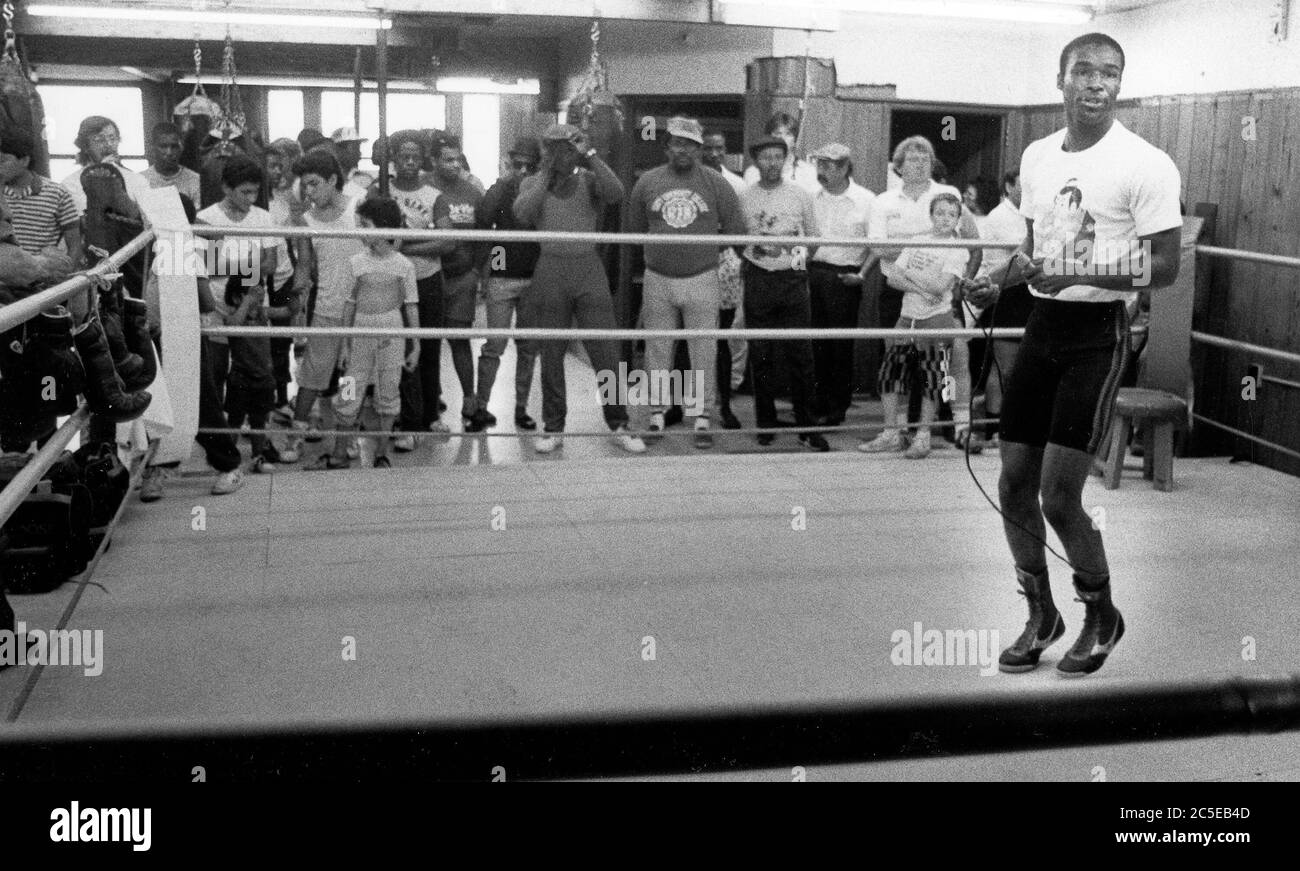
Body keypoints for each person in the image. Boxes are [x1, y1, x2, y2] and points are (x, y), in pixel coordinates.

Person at [966, 33, 1182, 676]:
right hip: (1043, 326)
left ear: (1120, 84)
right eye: (1083, 71)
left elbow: (1165, 266)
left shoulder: (1146, 163)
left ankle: (1101, 614)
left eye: (1109, 73)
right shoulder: (1036, 155)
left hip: (1097, 334)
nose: (1095, 83)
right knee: (1012, 484)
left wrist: (1080, 277)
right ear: (1060, 79)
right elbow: (1035, 252)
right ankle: (1041, 613)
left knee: (1061, 496)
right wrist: (999, 280)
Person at [512, 123, 646, 455]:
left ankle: (619, 422)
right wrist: (545, 172)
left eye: (568, 148)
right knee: (552, 354)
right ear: (546, 151)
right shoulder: (533, 182)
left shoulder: (589, 180)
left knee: (606, 351)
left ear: (576, 150)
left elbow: (616, 193)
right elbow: (523, 215)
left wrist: (590, 154)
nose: (562, 154)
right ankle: (553, 426)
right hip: (551, 269)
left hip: (588, 268)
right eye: (554, 148)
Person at [626, 116, 747, 449]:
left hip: (703, 276)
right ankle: (656, 414)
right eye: (677, 143)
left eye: (691, 144)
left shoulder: (716, 183)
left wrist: (705, 249)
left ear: (700, 149)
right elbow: (634, 229)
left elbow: (736, 229)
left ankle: (702, 417)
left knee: (703, 351)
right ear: (667, 147)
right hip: (658, 277)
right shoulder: (647, 182)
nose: (684, 150)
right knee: (657, 350)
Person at [867, 135, 982, 448]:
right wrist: (921, 244)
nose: (918, 164)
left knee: (949, 362)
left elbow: (972, 242)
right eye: (911, 159)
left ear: (933, 165)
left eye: (925, 159)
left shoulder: (947, 193)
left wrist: (960, 282)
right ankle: (899, 431)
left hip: (940, 296)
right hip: (900, 293)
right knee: (898, 364)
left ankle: (953, 429)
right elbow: (878, 248)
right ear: (898, 166)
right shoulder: (883, 201)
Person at [195, 155, 293, 470]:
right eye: (243, 193)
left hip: (249, 306)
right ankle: (222, 441)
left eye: (254, 192)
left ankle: (256, 438)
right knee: (218, 371)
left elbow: (271, 263)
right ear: (226, 187)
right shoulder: (205, 218)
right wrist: (245, 270)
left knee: (255, 369)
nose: (249, 199)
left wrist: (239, 279)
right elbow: (205, 268)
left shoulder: (262, 217)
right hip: (215, 303)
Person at [310, 197, 420, 470]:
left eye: (365, 225)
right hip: (359, 332)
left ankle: (381, 453)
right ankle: (339, 451)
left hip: (391, 332)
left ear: (383, 228)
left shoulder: (404, 265)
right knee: (349, 388)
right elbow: (349, 304)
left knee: (388, 389)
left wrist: (415, 344)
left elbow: (411, 306)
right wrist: (345, 344)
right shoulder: (356, 262)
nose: (360, 230)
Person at [859, 194, 968, 460]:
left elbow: (942, 286)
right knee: (889, 375)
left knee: (933, 381)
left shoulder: (958, 248)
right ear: (931, 215)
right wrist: (919, 282)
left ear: (957, 219)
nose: (944, 218)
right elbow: (893, 279)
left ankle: (923, 436)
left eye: (950, 214)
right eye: (940, 212)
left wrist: (911, 274)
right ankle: (891, 433)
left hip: (937, 320)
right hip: (907, 317)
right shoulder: (917, 240)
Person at [739, 134, 828, 451]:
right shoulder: (745, 196)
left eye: (779, 156)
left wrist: (798, 259)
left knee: (801, 354)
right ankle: (765, 424)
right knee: (761, 354)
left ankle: (808, 426)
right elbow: (739, 241)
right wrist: (758, 256)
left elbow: (815, 239)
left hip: (792, 280)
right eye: (766, 157)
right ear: (756, 161)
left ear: (786, 159)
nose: (772, 162)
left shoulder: (801, 195)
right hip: (759, 280)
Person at [282, 150, 365, 464]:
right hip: (327, 307)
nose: (309, 191)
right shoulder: (305, 219)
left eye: (315, 184)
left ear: (333, 180)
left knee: (350, 377)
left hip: (359, 309)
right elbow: (304, 266)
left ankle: (348, 435)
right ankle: (297, 434)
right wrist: (296, 296)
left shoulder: (359, 210)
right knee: (312, 374)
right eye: (305, 185)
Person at [385, 130, 455, 445]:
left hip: (427, 279)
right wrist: (417, 240)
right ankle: (406, 418)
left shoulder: (433, 195)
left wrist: (405, 247)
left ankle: (431, 415)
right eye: (404, 156)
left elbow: (448, 241)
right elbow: (379, 239)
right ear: (395, 159)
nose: (410, 162)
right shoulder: (381, 192)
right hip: (393, 282)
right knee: (400, 348)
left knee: (429, 347)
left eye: (415, 156)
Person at [475, 135, 542, 431]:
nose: (523, 171)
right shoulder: (501, 189)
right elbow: (483, 217)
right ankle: (480, 407)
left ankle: (521, 408)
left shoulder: (542, 189)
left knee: (528, 347)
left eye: (530, 166)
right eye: (518, 165)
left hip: (533, 275)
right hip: (503, 272)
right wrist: (504, 181)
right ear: (510, 163)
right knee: (495, 345)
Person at [807, 142, 875, 426]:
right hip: (814, 272)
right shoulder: (812, 197)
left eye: (828, 165)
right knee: (815, 344)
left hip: (846, 276)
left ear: (846, 167)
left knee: (840, 346)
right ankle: (818, 404)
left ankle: (837, 408)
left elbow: (876, 244)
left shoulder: (866, 199)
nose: (821, 171)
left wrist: (862, 274)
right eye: (819, 164)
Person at [427, 134, 487, 430]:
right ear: (434, 160)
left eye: (457, 159)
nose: (454, 165)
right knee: (429, 341)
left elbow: (487, 237)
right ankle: (432, 395)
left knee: (460, 339)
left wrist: (480, 272)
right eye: (447, 159)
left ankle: (469, 398)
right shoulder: (425, 190)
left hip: (463, 276)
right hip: (430, 274)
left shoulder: (473, 191)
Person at [970, 168, 1031, 447]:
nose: (1028, 189)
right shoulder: (1001, 217)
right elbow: (1024, 258)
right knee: (1004, 366)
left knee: (1021, 368)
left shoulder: (1030, 213)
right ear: (1008, 186)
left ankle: (1011, 425)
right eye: (1022, 184)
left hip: (1029, 294)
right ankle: (995, 428)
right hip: (1008, 294)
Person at [700, 129, 748, 428]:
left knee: (723, 338)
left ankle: (725, 404)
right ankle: (689, 404)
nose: (714, 153)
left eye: (720, 148)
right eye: (708, 148)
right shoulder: (691, 180)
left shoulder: (737, 184)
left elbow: (740, 224)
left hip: (727, 262)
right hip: (694, 262)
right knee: (691, 338)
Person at [60, 116, 151, 213]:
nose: (109, 144)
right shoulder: (70, 184)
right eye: (100, 140)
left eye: (113, 138)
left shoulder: (136, 180)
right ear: (85, 146)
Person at [742, 112, 820, 193]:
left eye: (788, 134)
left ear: (795, 141)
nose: (782, 138)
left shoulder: (809, 172)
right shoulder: (752, 173)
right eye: (778, 133)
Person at [142, 122, 201, 205]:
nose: (169, 152)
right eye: (163, 146)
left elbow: (198, 216)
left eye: (174, 146)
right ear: (153, 148)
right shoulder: (140, 180)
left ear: (181, 148)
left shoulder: (195, 180)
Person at [330, 127, 370, 201]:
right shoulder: (328, 180)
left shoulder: (365, 180)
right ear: (339, 150)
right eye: (356, 148)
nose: (359, 153)